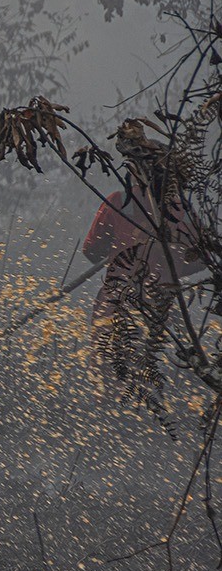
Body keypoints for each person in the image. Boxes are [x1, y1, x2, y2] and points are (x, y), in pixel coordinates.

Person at [82, 137, 207, 427]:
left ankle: (110, 425)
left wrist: (122, 252)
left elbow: (92, 250)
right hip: (162, 305)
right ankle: (150, 425)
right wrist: (168, 264)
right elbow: (201, 257)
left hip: (116, 300)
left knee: (108, 369)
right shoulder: (182, 209)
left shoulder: (118, 203)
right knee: (162, 367)